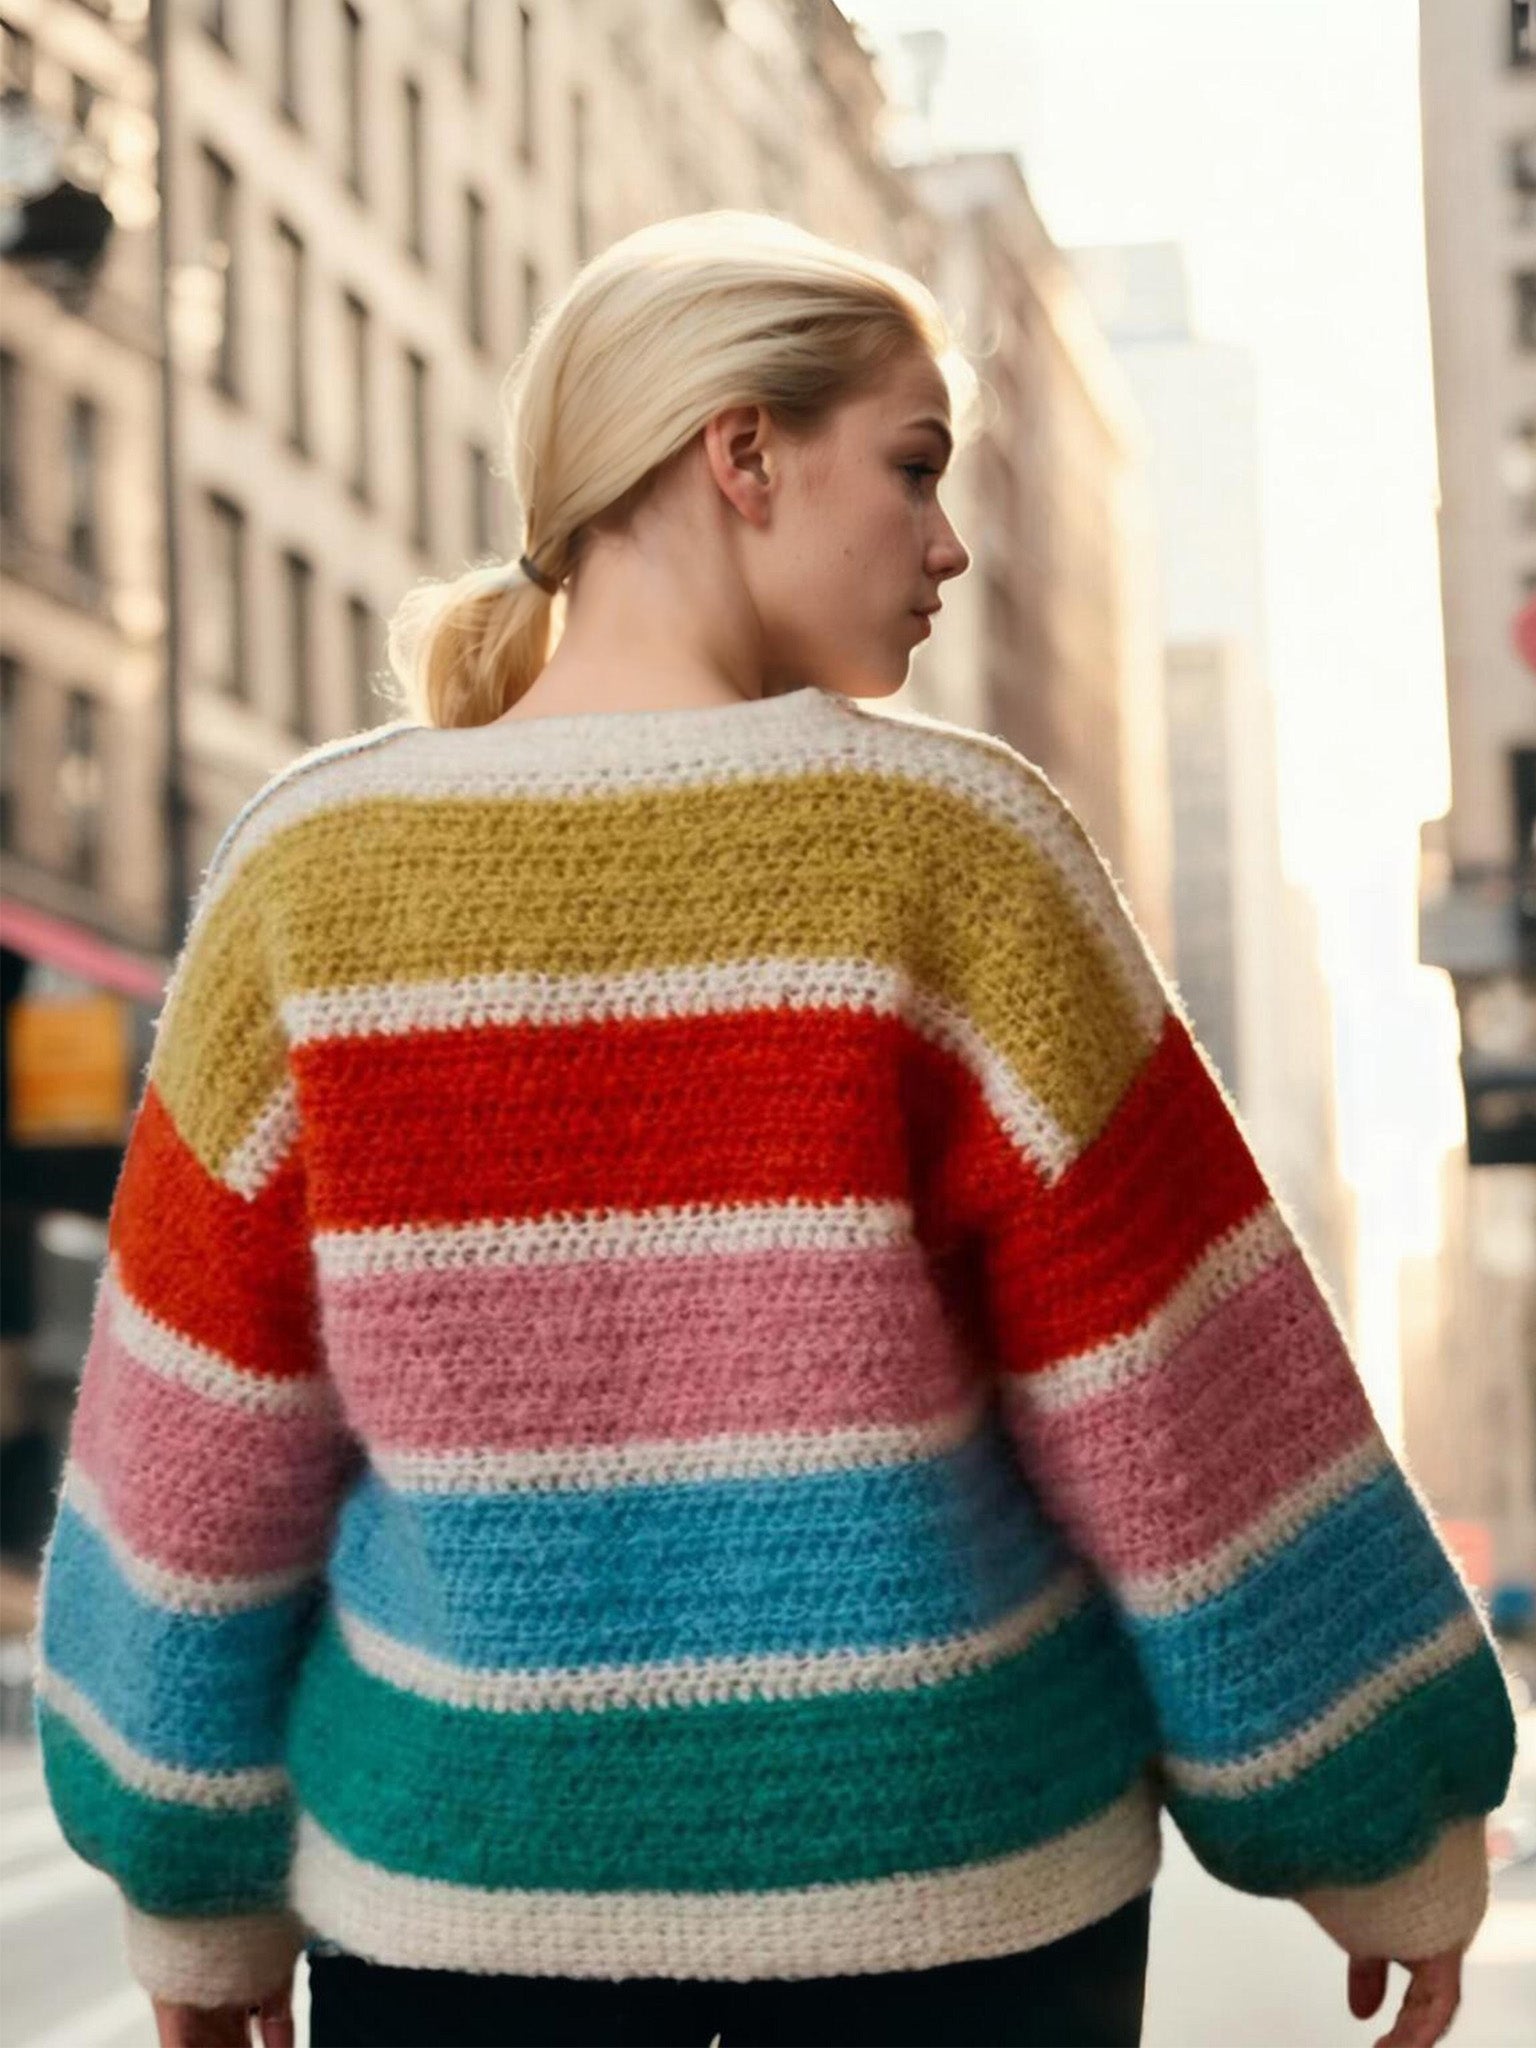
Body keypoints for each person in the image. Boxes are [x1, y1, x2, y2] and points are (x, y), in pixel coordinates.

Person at [29, 210, 1516, 2048]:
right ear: (740, 451)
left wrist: (194, 1900)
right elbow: (1185, 1400)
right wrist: (1379, 1827)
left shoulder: (306, 878)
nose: (949, 542)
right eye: (912, 467)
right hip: (959, 1914)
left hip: (466, 1916)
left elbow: (195, 1459)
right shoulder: (954, 849)